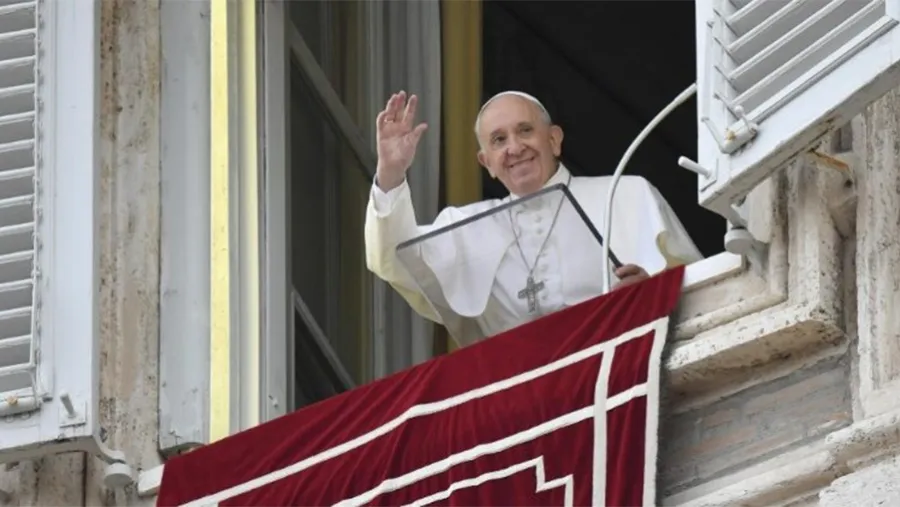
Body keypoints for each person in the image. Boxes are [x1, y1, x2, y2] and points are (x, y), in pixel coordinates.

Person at [365, 90, 702, 345]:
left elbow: (705, 291)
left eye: (525, 131)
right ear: (487, 163)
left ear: (554, 140)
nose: (514, 148)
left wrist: (654, 293)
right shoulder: (466, 227)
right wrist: (391, 174)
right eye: (499, 140)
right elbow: (397, 259)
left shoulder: (626, 195)